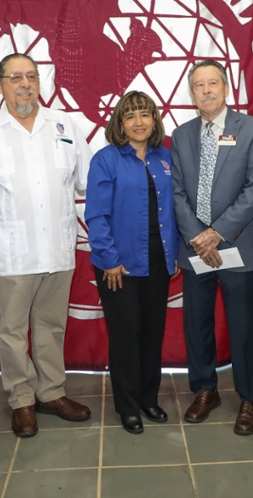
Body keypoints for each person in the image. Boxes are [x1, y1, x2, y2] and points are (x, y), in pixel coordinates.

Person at [0, 53, 94, 438]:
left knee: (51, 326)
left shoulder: (64, 124)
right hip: (12, 250)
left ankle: (51, 392)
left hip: (58, 246)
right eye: (15, 77)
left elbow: (88, 179)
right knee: (14, 331)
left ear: (41, 82)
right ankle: (21, 400)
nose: (25, 84)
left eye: (31, 76)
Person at [171, 60, 253, 435]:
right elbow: (177, 191)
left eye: (213, 83)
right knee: (196, 323)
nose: (207, 90)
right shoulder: (181, 135)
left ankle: (249, 399)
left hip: (236, 246)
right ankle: (204, 389)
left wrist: (218, 232)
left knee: (243, 327)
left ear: (226, 88)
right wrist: (199, 236)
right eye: (199, 85)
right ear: (191, 93)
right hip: (195, 246)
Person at [85, 91, 178, 434]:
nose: (139, 122)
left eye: (144, 114)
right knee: (126, 334)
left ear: (154, 119)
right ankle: (128, 407)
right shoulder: (106, 160)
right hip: (118, 265)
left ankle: (148, 399)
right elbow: (95, 214)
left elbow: (173, 210)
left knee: (153, 332)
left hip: (158, 260)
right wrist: (108, 259)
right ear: (120, 124)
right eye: (130, 116)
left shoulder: (165, 157)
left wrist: (174, 254)